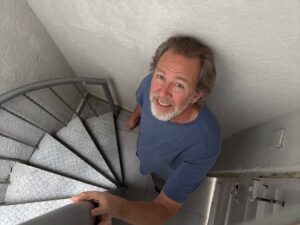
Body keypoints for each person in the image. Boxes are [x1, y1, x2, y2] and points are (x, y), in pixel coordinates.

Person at [72, 35, 222, 225]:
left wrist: (117, 207)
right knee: (148, 165)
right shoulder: (148, 82)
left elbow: (164, 208)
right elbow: (144, 100)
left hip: (165, 175)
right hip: (147, 153)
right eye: (161, 76)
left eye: (178, 84)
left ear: (196, 95)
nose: (162, 92)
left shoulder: (206, 143)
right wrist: (135, 115)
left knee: (159, 185)